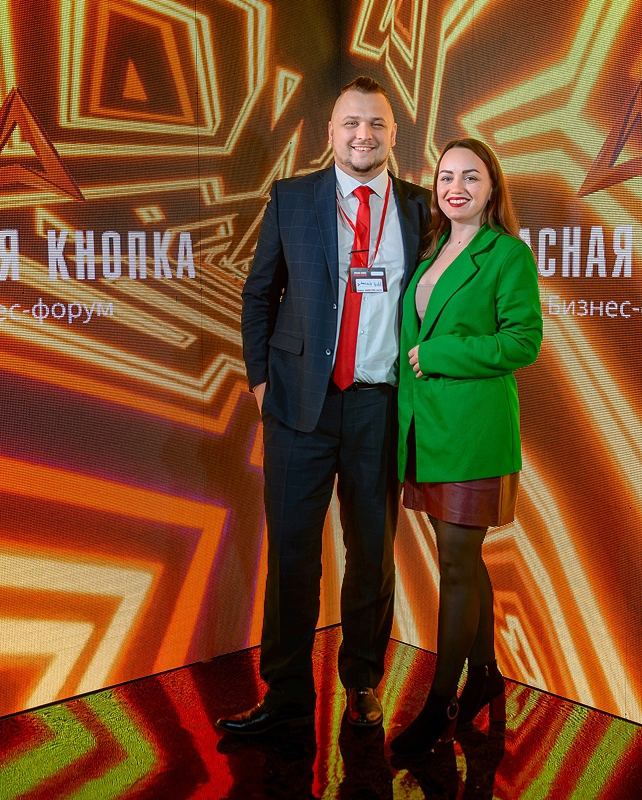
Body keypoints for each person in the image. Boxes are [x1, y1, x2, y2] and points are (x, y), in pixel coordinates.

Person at [221, 76, 431, 735]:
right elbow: (259, 295)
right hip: (298, 408)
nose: (363, 134)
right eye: (351, 123)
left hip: (379, 407)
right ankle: (285, 693)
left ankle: (362, 682)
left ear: (393, 135)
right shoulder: (291, 198)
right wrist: (262, 385)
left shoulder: (421, 208)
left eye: (375, 124)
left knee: (371, 554)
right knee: (291, 553)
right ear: (331, 132)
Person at [388, 138, 542, 756]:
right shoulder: (430, 251)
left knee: (456, 565)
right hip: (427, 431)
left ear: (492, 187)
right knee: (462, 561)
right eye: (446, 177)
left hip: (474, 436)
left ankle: (441, 703)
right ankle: (485, 676)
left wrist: (441, 354)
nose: (456, 187)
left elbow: (523, 342)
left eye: (470, 177)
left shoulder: (506, 254)